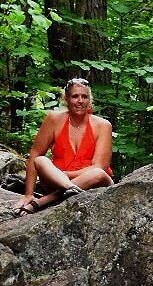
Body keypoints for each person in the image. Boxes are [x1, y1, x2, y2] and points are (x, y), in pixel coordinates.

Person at [18, 78, 113, 214]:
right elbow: (35, 153)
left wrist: (65, 175)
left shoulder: (103, 125)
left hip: (93, 182)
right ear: (66, 99)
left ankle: (44, 201)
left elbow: (99, 167)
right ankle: (69, 189)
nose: (80, 101)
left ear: (89, 100)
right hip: (56, 182)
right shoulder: (53, 119)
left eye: (84, 96)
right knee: (40, 160)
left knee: (98, 173)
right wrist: (28, 194)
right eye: (75, 96)